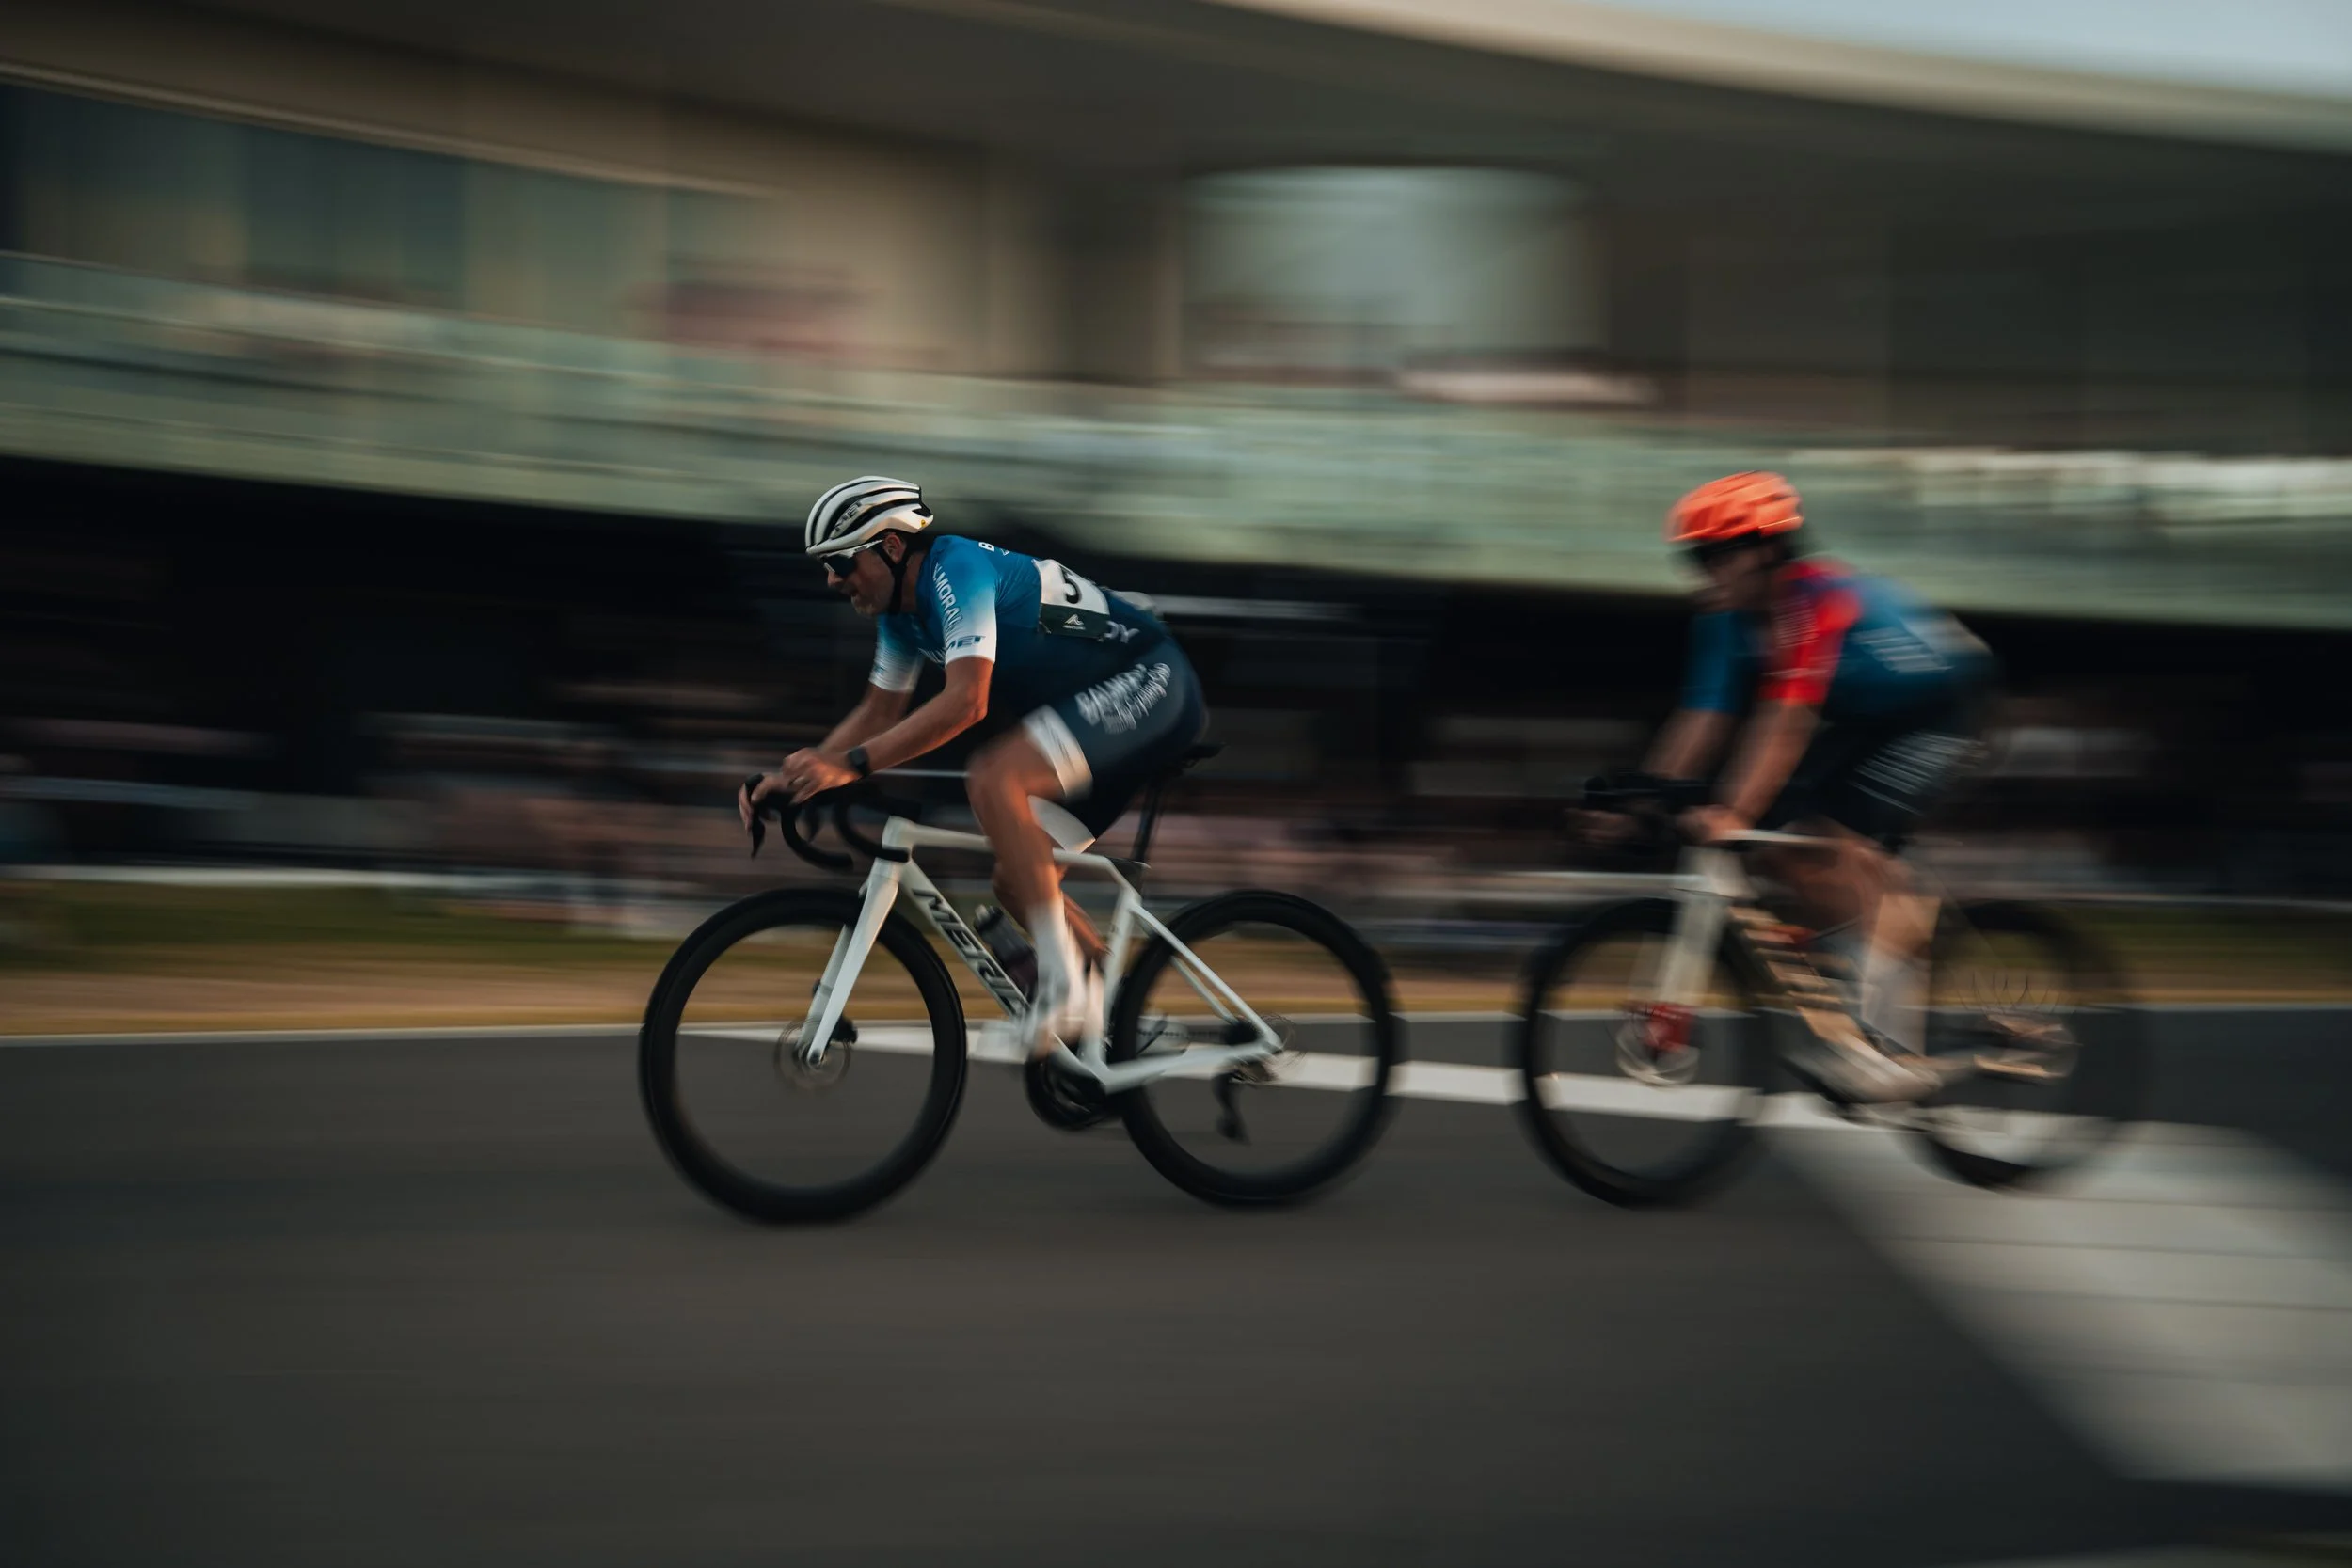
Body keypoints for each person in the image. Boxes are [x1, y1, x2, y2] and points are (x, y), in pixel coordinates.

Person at [740, 476, 1206, 1058]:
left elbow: (967, 702)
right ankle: (1124, 1015)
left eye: (840, 562)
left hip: (1151, 679)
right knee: (1018, 879)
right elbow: (879, 710)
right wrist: (800, 776)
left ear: (889, 547)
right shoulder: (901, 617)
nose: (833, 580)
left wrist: (853, 767)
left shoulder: (954, 569)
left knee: (995, 775)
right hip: (1090, 712)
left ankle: (1065, 990)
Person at [1597, 471, 1994, 1101]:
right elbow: (1702, 717)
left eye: (1717, 555)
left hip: (1938, 706)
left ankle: (1887, 1044)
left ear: (1767, 550)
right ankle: (1879, 938)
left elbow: (1783, 725)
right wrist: (1644, 795)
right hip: (1861, 716)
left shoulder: (1815, 600)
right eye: (1696, 558)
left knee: (1839, 841)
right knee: (1776, 845)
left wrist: (1729, 810)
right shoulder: (1725, 618)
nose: (1706, 572)